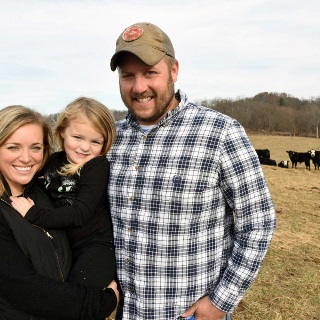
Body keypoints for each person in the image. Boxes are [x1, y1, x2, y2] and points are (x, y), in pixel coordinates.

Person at [107, 22, 276, 320]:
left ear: (174, 71)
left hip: (188, 314)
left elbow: (258, 222)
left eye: (150, 73)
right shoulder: (109, 139)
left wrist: (221, 302)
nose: (139, 87)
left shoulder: (220, 133)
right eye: (128, 76)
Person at [0, 105, 119, 320]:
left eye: (35, 147)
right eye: (13, 147)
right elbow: (25, 290)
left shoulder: (43, 193)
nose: (26, 158)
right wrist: (106, 301)